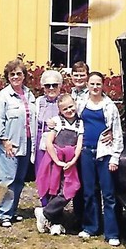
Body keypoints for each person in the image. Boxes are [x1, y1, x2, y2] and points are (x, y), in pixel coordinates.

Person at [77, 71, 124, 246]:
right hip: (86, 152)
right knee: (89, 192)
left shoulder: (109, 106)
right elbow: (70, 120)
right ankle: (90, 227)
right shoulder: (81, 103)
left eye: (98, 84)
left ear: (102, 85)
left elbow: (117, 133)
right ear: (87, 85)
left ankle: (111, 233)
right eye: (92, 84)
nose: (95, 87)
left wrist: (115, 158)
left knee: (109, 194)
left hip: (104, 154)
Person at [0, 58, 36, 227]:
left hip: (25, 142)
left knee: (19, 180)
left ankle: (12, 211)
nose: (16, 77)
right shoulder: (4, 96)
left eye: (19, 74)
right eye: (12, 74)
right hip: (8, 144)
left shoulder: (29, 94)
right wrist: (4, 140)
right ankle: (3, 214)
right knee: (7, 180)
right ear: (8, 77)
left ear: (24, 76)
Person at [34, 94, 84, 235]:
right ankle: (54, 222)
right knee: (53, 188)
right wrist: (57, 161)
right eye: (65, 108)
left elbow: (79, 144)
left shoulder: (80, 124)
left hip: (71, 161)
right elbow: (49, 142)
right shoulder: (57, 121)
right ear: (60, 111)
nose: (69, 110)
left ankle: (45, 213)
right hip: (55, 161)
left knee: (70, 188)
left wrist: (73, 161)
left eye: (71, 106)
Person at [33, 69, 63, 176]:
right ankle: (42, 192)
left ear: (59, 86)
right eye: (47, 85)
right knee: (42, 171)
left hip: (58, 140)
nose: (51, 88)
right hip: (41, 140)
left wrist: (57, 124)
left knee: (56, 172)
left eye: (54, 85)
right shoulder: (39, 101)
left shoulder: (63, 100)